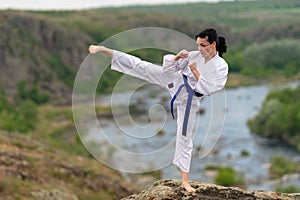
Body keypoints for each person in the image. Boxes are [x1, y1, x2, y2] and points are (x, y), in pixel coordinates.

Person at [88, 28, 228, 193]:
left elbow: (209, 88)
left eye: (203, 45)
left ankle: (184, 181)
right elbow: (170, 69)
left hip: (189, 99)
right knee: (143, 67)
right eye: (197, 45)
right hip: (175, 80)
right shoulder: (194, 55)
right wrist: (178, 57)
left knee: (185, 136)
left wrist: (195, 71)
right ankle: (105, 50)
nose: (199, 49)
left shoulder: (221, 66)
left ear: (213, 44)